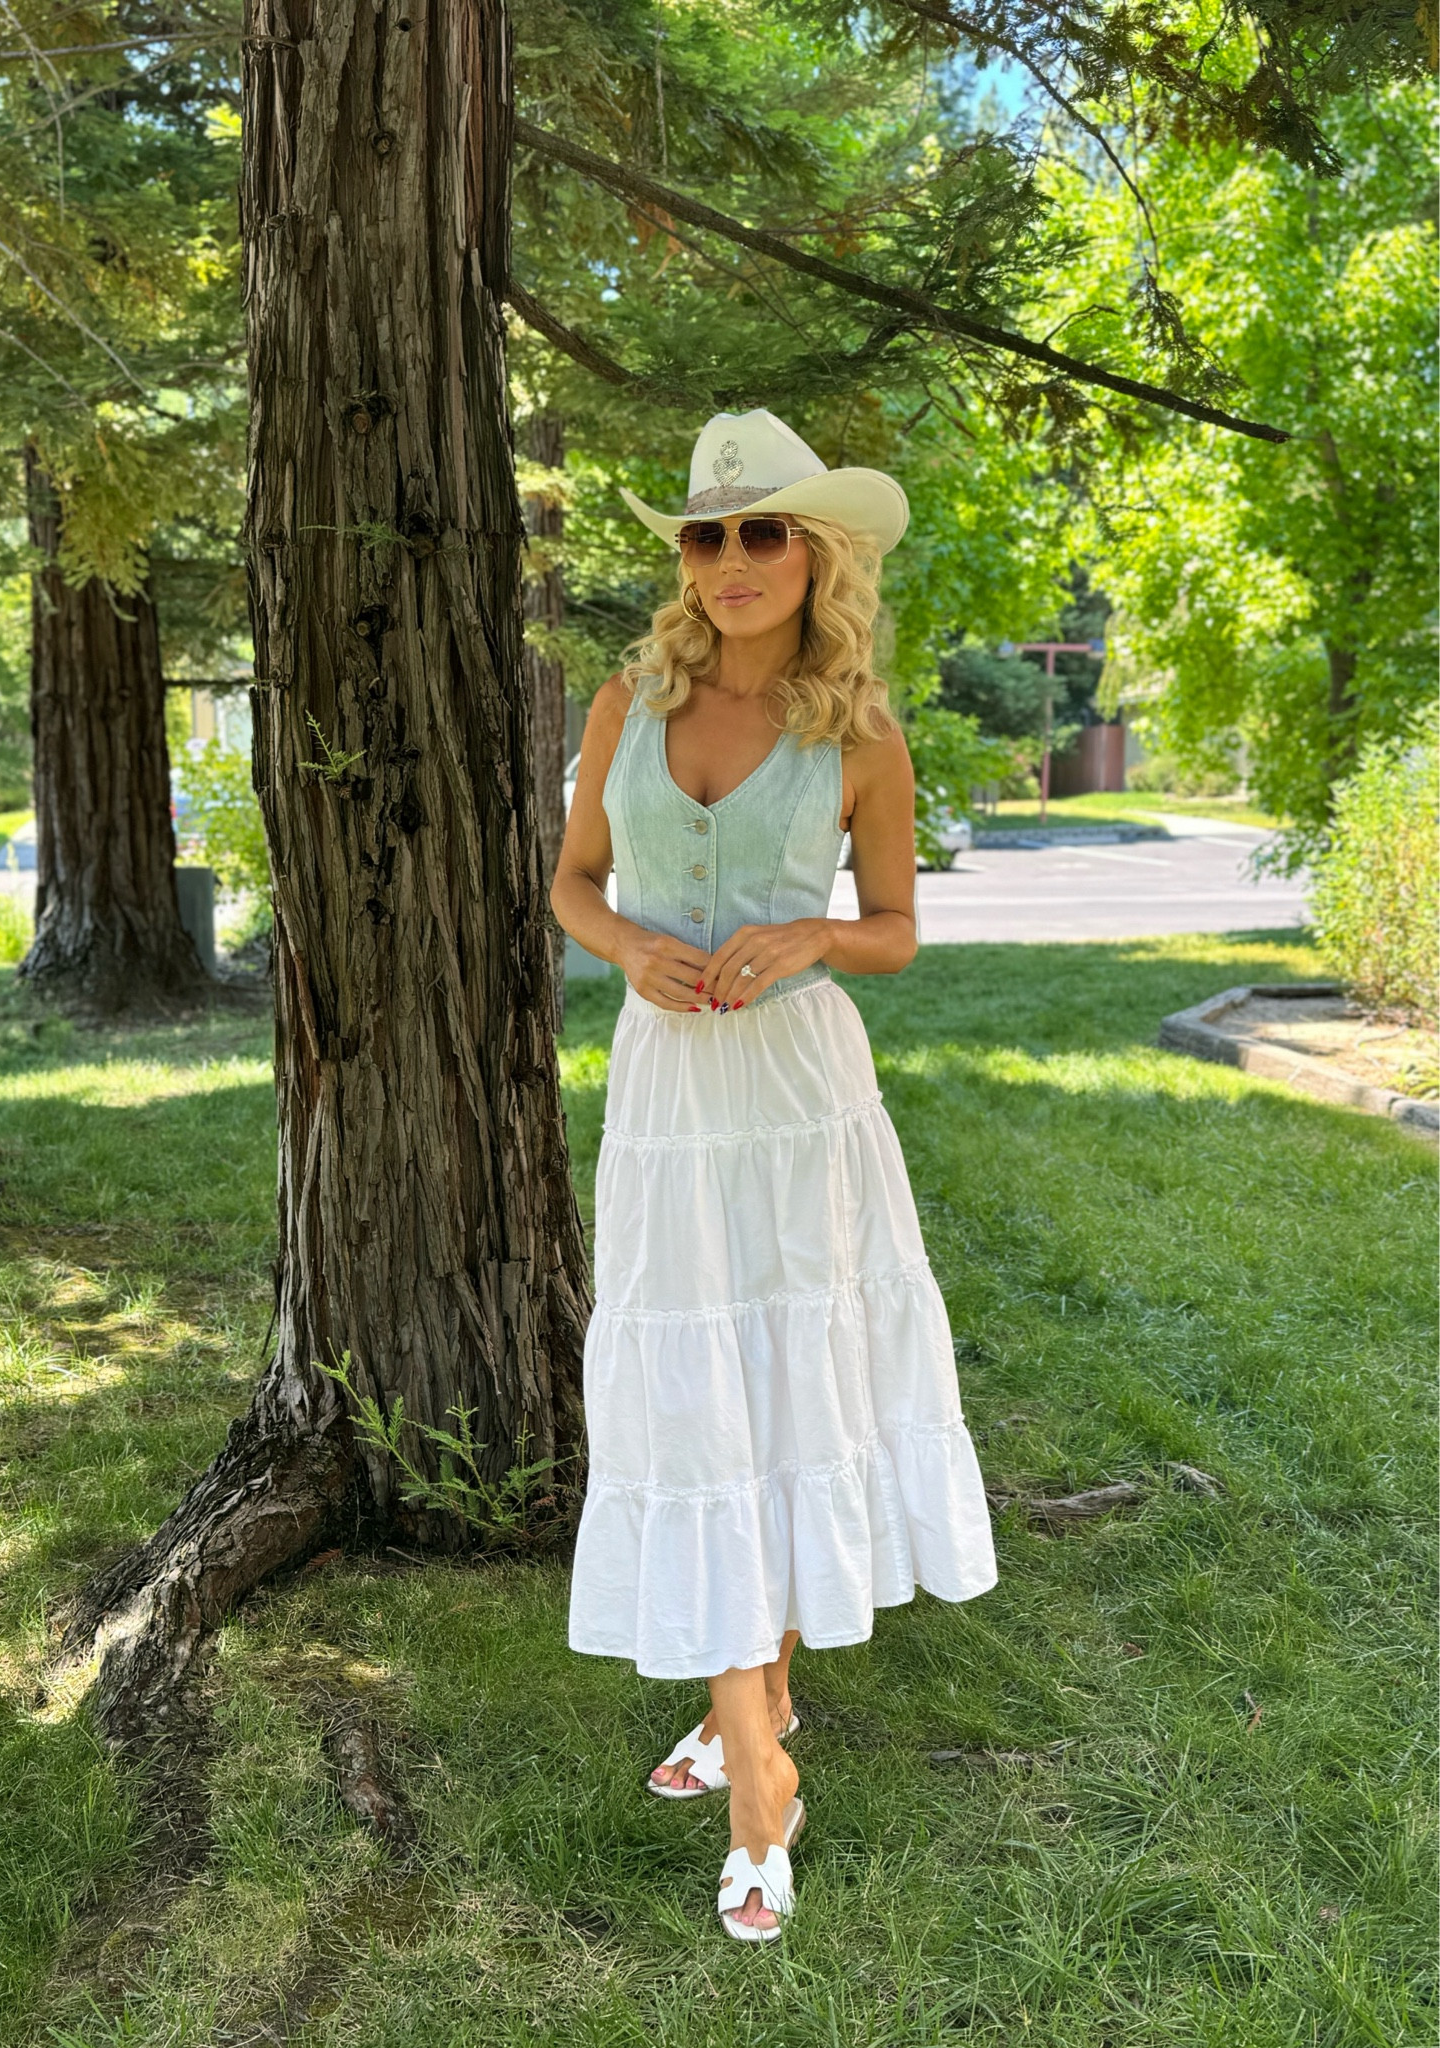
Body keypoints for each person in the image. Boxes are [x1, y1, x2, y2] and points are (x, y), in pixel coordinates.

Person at [550, 408, 997, 1943]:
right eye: (705, 533)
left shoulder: (858, 731)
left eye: (762, 531)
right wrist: (626, 954)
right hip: (670, 1092)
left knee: (789, 1374)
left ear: (814, 553)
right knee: (697, 1393)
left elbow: (893, 928)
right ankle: (757, 1743)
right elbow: (573, 885)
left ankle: (758, 1772)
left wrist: (806, 936)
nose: (730, 560)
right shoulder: (628, 698)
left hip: (803, 1095)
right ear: (682, 556)